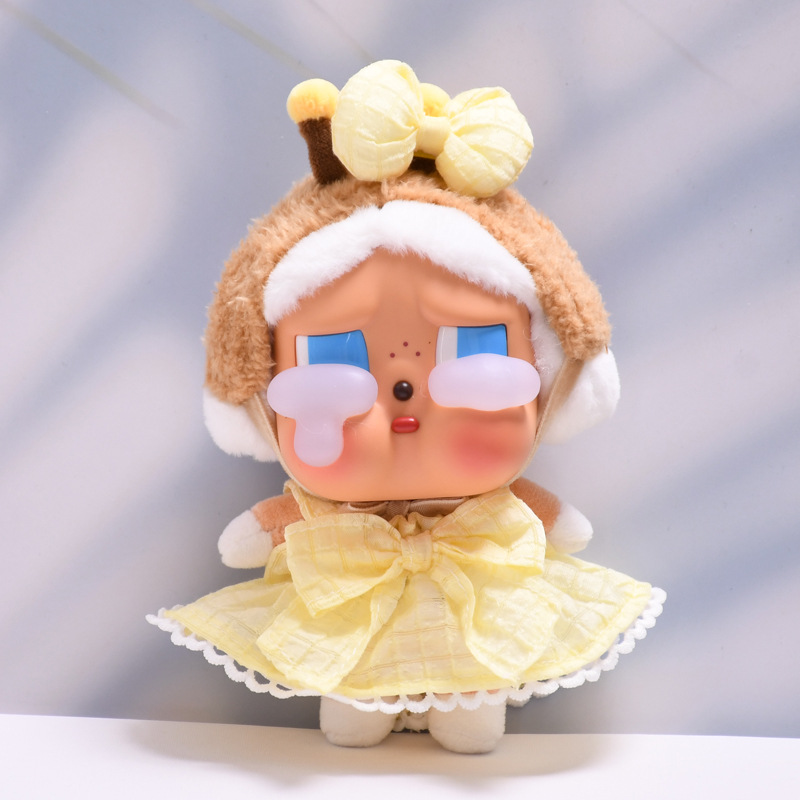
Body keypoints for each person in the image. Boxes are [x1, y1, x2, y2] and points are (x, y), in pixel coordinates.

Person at [149, 60, 664, 754]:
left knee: (471, 722)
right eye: (337, 354)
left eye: (466, 343)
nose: (403, 388)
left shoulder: (496, 492)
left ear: (553, 380)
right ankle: (363, 707)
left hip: (476, 632)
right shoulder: (323, 491)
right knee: (349, 714)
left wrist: (554, 520)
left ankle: (464, 711)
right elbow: (266, 531)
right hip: (348, 621)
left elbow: (555, 526)